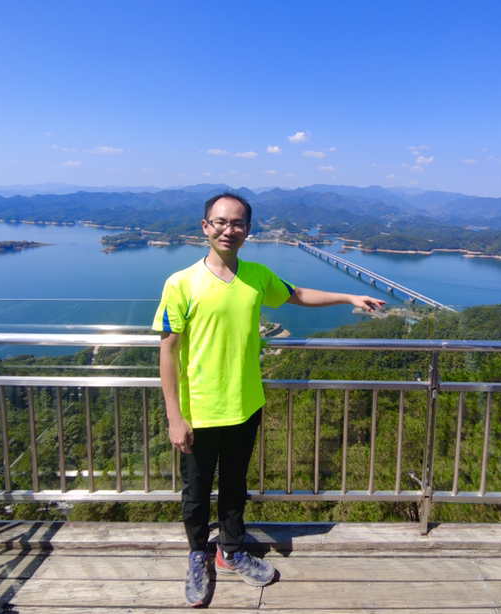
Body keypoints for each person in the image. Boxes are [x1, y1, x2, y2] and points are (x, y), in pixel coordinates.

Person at [152, 192, 385, 607]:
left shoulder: (257, 276)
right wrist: (175, 416)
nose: (229, 230)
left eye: (237, 223)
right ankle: (197, 555)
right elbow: (167, 352)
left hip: (246, 405)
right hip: (198, 410)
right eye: (220, 222)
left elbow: (297, 294)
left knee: (235, 486)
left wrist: (349, 297)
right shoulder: (180, 283)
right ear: (205, 227)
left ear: (248, 230)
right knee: (196, 491)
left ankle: (230, 551)